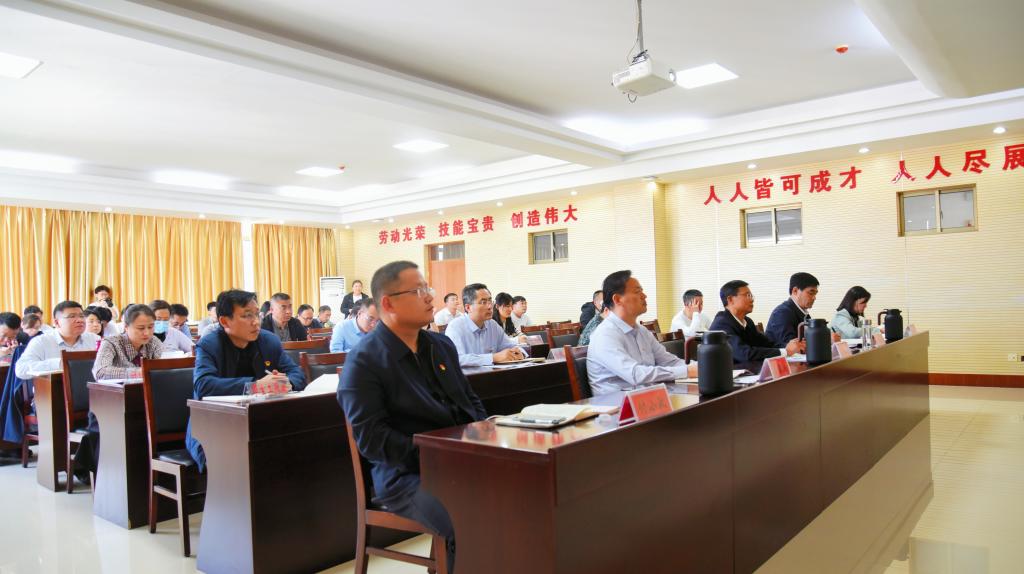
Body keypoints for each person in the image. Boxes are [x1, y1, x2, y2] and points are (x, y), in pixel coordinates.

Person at [339, 261, 486, 573]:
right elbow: (372, 440)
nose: (430, 296)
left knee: (521, 496)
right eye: (418, 291)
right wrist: (438, 455)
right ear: (388, 303)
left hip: (458, 461)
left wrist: (483, 438)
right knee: (470, 517)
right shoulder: (364, 360)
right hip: (405, 475)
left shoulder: (440, 345)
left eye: (427, 288)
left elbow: (469, 400)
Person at [187, 289, 306, 470]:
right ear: (224, 321)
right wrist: (255, 386)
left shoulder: (268, 341)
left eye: (257, 314)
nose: (255, 321)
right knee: (238, 460)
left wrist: (286, 383)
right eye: (246, 316)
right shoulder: (209, 344)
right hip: (214, 425)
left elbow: (296, 373)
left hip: (260, 422)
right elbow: (204, 385)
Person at [79, 305, 165, 475]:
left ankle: (146, 474)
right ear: (126, 327)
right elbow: (100, 371)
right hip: (110, 405)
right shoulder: (111, 342)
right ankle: (108, 473)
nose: (147, 333)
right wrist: (139, 372)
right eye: (141, 328)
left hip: (143, 401)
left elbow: (158, 372)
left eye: (150, 327)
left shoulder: (154, 342)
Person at [586, 271, 696, 395]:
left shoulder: (642, 331)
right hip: (617, 403)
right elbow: (635, 374)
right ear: (617, 299)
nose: (644, 296)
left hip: (648, 397)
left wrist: (702, 367)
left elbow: (670, 362)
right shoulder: (605, 334)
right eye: (637, 292)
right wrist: (687, 371)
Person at [709, 280, 803, 364]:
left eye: (751, 296)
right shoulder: (721, 324)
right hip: (726, 375)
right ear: (730, 299)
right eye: (747, 295)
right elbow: (744, 354)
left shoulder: (747, 321)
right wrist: (786, 351)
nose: (752, 299)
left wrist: (791, 346)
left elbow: (767, 344)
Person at [445, 283, 525, 367]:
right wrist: (493, 358)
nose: (490, 306)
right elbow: (457, 359)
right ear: (468, 307)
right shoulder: (455, 327)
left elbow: (510, 346)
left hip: (494, 373)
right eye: (483, 302)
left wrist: (519, 353)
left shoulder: (492, 325)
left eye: (490, 301)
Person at [15, 301, 100, 379]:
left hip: (90, 388)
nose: (80, 320)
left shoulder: (94, 339)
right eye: (72, 316)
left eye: (81, 316)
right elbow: (20, 369)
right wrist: (57, 363)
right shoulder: (41, 341)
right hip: (53, 389)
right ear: (57, 322)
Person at [765, 272, 840, 347]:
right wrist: (825, 340)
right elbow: (793, 346)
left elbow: (809, 339)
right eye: (811, 293)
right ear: (795, 291)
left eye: (815, 294)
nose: (814, 298)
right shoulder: (782, 313)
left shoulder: (803, 313)